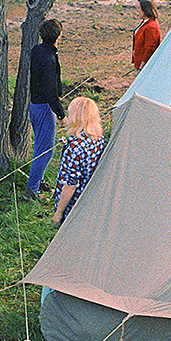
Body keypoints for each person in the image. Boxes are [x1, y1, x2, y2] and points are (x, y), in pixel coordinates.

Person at [24, 19, 66, 201]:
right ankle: (31, 190)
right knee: (45, 150)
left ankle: (37, 182)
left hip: (36, 105)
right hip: (43, 108)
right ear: (58, 36)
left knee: (41, 146)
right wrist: (61, 114)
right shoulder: (48, 58)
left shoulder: (38, 50)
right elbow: (50, 91)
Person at [52, 97, 106, 228]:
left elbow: (70, 185)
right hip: (92, 200)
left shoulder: (74, 147)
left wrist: (59, 212)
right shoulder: (100, 139)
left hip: (74, 205)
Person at [132, 0, 162, 70]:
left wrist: (142, 66)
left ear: (145, 9)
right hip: (139, 62)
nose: (137, 10)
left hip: (144, 65)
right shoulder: (145, 22)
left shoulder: (151, 26)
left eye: (139, 8)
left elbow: (150, 48)